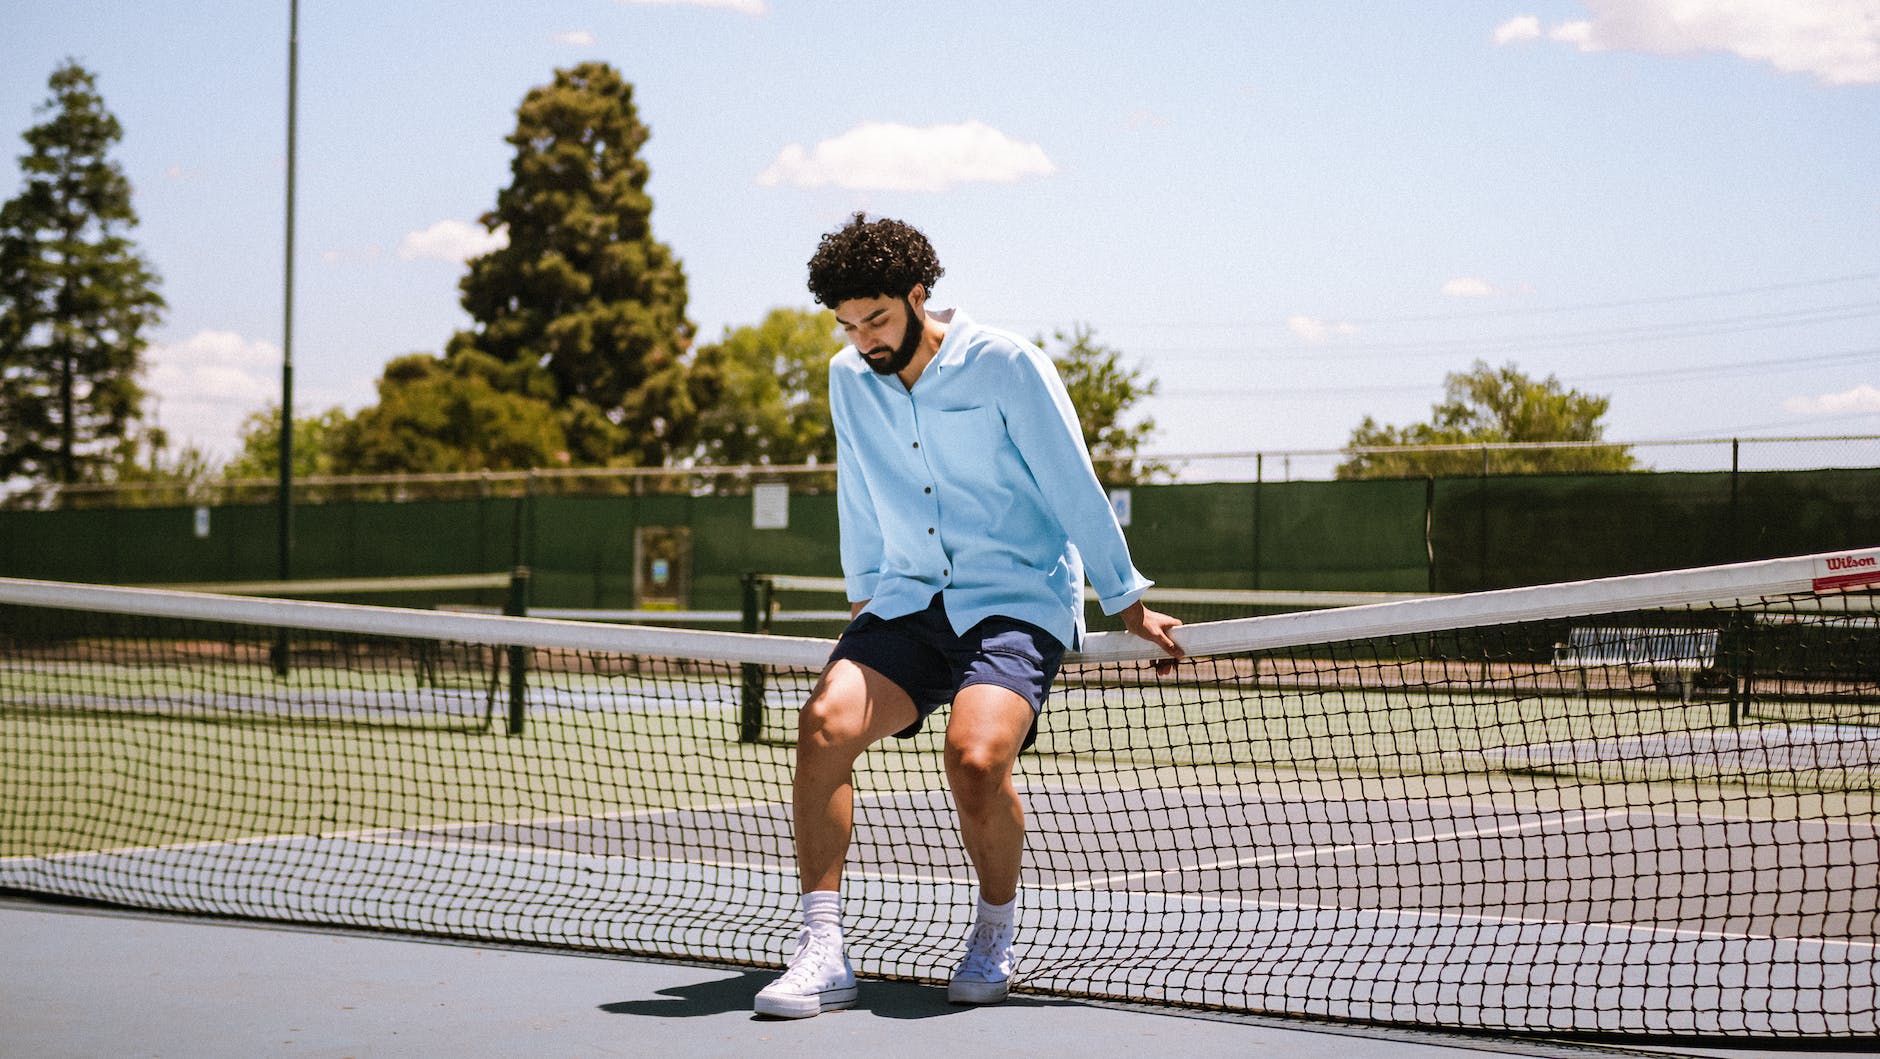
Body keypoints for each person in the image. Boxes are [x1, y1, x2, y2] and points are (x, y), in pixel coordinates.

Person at [753, 214, 1183, 1019]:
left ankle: (993, 932)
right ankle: (822, 949)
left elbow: (1071, 481)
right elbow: (858, 486)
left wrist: (1127, 600)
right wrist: (863, 593)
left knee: (976, 761)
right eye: (847, 324)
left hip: (1014, 597)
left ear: (920, 296)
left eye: (877, 318)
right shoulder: (850, 376)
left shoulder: (1008, 365)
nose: (863, 338)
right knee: (823, 725)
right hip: (909, 597)